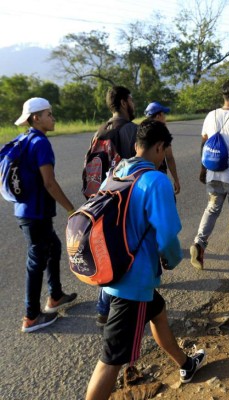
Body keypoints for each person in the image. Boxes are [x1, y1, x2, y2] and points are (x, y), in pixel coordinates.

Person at [86, 120, 206, 399]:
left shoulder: (117, 171)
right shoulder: (155, 180)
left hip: (113, 269)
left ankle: (186, 365)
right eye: (164, 151)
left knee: (158, 313)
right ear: (159, 147)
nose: (164, 157)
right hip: (132, 283)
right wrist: (173, 260)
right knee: (111, 360)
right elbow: (166, 236)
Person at [12, 98, 77, 333]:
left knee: (54, 247)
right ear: (35, 118)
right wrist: (71, 209)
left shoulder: (24, 139)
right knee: (36, 261)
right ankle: (30, 316)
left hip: (26, 210)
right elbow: (49, 183)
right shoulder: (40, 143)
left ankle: (55, 296)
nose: (53, 118)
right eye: (49, 114)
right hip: (35, 213)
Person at [190, 80, 229, 270]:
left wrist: (203, 170)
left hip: (213, 174)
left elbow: (205, 145)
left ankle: (200, 244)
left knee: (212, 209)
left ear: (223, 97)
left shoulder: (211, 116)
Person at [94, 86, 138, 327]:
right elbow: (140, 166)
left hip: (100, 200)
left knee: (109, 251)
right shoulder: (131, 130)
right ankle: (114, 308)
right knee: (123, 252)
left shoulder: (100, 129)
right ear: (123, 102)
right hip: (123, 201)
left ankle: (103, 308)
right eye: (130, 98)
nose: (133, 102)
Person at [144, 101, 181, 194]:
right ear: (158, 116)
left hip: (142, 176)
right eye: (163, 114)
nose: (165, 117)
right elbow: (169, 157)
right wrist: (176, 180)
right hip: (158, 176)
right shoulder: (162, 132)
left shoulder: (141, 130)